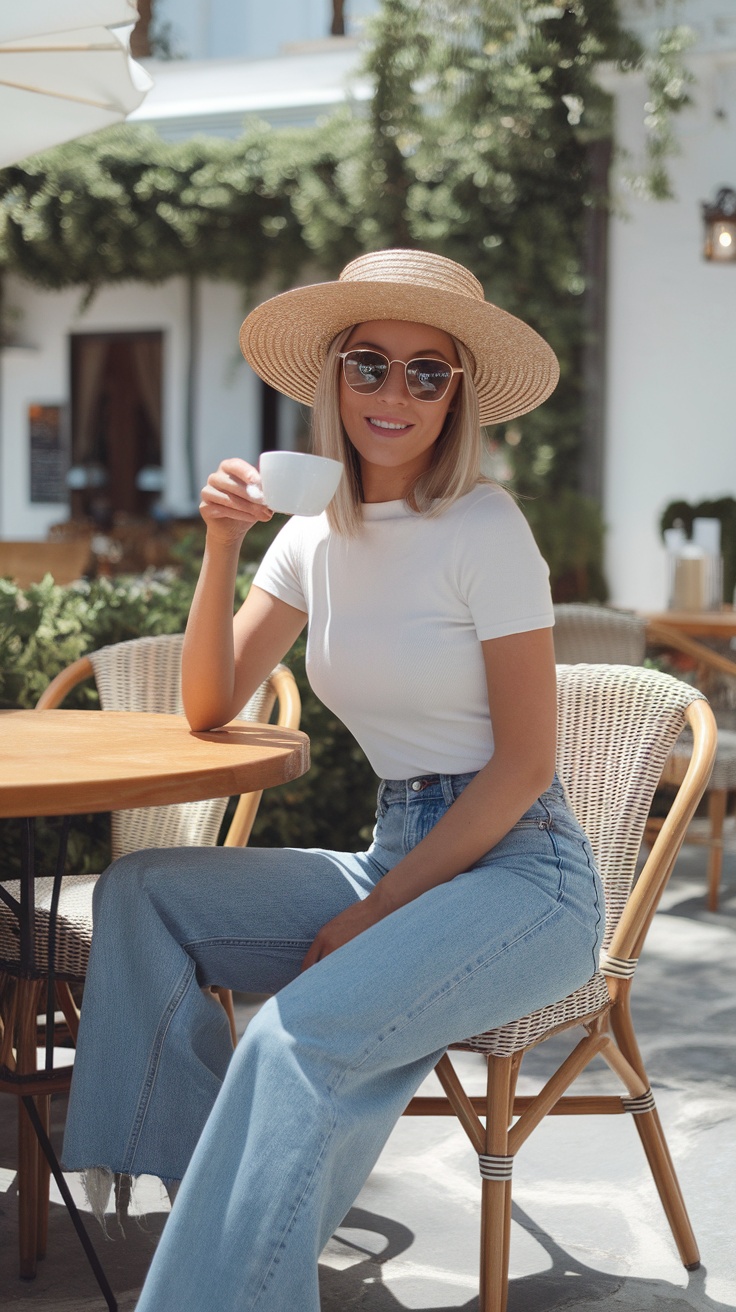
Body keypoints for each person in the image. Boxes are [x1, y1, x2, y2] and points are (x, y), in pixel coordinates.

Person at [62, 248, 604, 1312]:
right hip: (400, 845)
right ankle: (217, 1214)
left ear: (457, 397)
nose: (393, 395)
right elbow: (211, 705)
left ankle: (220, 1274)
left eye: (425, 373)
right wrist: (222, 543)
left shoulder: (485, 527)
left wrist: (377, 915)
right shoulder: (309, 533)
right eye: (368, 365)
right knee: (144, 894)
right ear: (333, 382)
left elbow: (525, 764)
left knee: (294, 1034)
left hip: (522, 875)